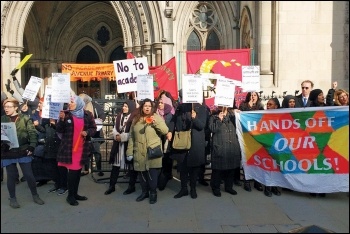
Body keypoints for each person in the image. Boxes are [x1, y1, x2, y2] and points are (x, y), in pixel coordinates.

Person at [1, 98, 45, 208]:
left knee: (29, 175)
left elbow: (32, 134)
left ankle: (35, 195)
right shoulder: (2, 119)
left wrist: (31, 146)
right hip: (8, 152)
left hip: (23, 150)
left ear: (16, 108)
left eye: (9, 107)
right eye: (5, 107)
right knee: (11, 177)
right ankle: (13, 198)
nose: (6, 109)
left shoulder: (25, 118)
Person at [56, 95, 97, 206]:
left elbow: (94, 128)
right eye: (69, 102)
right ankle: (70, 196)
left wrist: (87, 132)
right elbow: (59, 130)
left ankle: (75, 193)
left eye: (72, 102)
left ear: (79, 103)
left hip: (82, 148)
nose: (69, 104)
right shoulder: (66, 115)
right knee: (73, 173)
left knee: (77, 173)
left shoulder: (88, 115)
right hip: (69, 148)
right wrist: (62, 119)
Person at [126, 98, 168, 204]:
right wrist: (129, 152)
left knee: (152, 175)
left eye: (149, 106)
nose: (147, 108)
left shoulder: (156, 118)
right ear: (142, 107)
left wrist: (155, 123)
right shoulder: (136, 119)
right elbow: (131, 136)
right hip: (139, 151)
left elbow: (165, 131)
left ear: (152, 107)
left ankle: (153, 193)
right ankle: (144, 192)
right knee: (142, 175)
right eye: (145, 106)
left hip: (152, 151)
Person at [170, 94, 208, 199]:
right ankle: (183, 189)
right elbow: (174, 121)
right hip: (182, 142)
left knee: (194, 168)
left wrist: (194, 118)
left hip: (195, 143)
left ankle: (193, 189)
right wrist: (169, 131)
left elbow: (201, 125)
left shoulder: (201, 108)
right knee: (182, 167)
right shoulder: (180, 108)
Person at [104, 99, 137, 195]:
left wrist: (122, 137)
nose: (124, 108)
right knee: (115, 166)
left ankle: (131, 186)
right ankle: (112, 186)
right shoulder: (119, 116)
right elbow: (115, 129)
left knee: (131, 167)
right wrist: (116, 135)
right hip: (118, 146)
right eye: (123, 106)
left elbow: (132, 132)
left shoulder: (134, 118)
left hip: (128, 145)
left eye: (126, 106)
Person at [208, 106, 241, 197]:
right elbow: (212, 129)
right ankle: (216, 187)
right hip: (220, 146)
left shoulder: (232, 115)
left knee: (231, 169)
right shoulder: (213, 116)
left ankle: (229, 187)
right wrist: (219, 119)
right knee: (217, 170)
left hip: (231, 146)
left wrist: (237, 114)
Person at [239, 92, 264, 192]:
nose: (253, 97)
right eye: (251, 95)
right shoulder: (243, 105)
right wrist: (249, 106)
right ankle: (247, 181)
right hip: (246, 137)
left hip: (257, 137)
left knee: (257, 160)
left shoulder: (260, 107)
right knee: (247, 159)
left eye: (255, 95)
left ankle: (257, 181)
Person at [78, 93, 106, 176]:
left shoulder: (94, 105)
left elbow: (102, 114)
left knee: (96, 151)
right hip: (84, 133)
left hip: (95, 133)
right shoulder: (79, 107)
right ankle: (86, 169)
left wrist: (100, 119)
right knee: (85, 152)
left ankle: (99, 169)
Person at [155, 94, 175, 191]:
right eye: (159, 102)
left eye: (162, 103)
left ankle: (166, 175)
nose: (160, 104)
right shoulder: (155, 113)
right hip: (158, 141)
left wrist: (169, 131)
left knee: (167, 159)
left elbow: (172, 125)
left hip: (167, 141)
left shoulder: (171, 114)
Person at [263, 97, 282, 197]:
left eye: (270, 104)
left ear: (276, 106)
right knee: (268, 166)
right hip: (268, 144)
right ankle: (268, 186)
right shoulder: (263, 115)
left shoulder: (282, 116)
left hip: (279, 145)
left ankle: (275, 186)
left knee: (277, 166)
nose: (268, 106)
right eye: (267, 104)